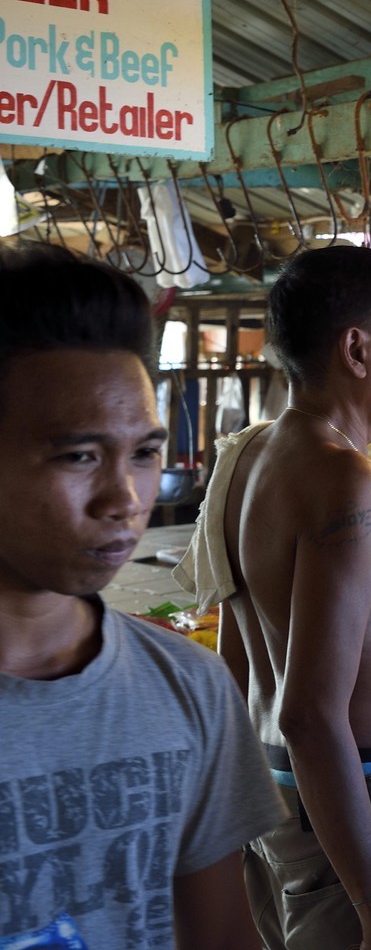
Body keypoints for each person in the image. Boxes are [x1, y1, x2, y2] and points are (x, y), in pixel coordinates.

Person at [177, 245, 371, 950]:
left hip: (290, 804)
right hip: (366, 815)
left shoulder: (246, 457)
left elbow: (237, 663)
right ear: (358, 350)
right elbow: (310, 714)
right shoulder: (346, 481)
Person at [0, 243, 283, 948]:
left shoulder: (186, 687)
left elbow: (221, 935)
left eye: (144, 453)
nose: (124, 500)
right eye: (79, 455)